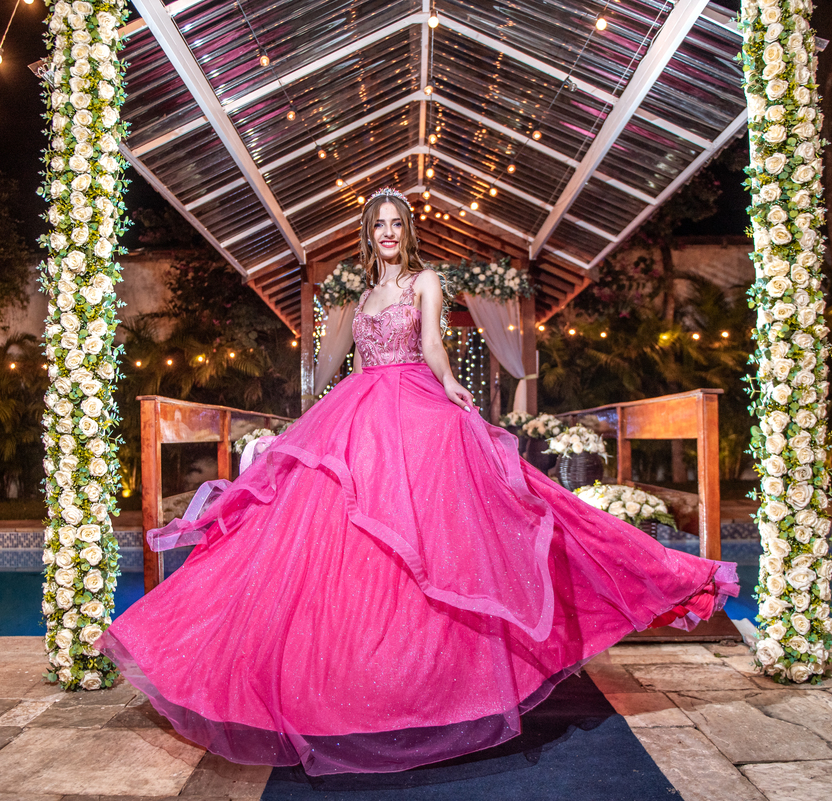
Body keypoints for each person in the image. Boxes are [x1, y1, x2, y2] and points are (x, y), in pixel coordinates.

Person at [97, 188, 738, 777]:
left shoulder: (425, 279)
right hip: (358, 411)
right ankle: (345, 685)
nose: (386, 232)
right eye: (377, 225)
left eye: (395, 224)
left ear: (407, 232)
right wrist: (301, 420)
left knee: (456, 523)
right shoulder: (358, 292)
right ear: (366, 233)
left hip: (410, 403)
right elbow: (335, 361)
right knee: (330, 534)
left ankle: (451, 675)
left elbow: (432, 346)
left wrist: (454, 387)